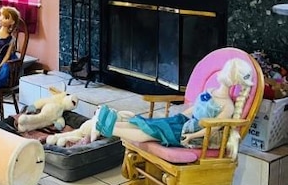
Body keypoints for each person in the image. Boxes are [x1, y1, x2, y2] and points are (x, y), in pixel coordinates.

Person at [92, 58, 254, 148]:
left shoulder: (227, 106)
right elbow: (194, 109)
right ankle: (105, 120)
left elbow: (211, 130)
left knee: (147, 133)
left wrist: (191, 136)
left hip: (192, 133)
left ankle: (106, 127)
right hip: (184, 122)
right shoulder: (210, 91)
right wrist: (177, 118)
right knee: (148, 124)